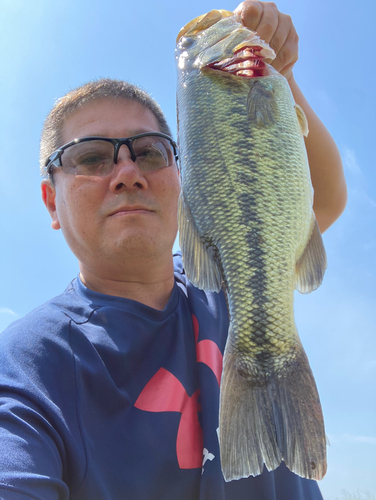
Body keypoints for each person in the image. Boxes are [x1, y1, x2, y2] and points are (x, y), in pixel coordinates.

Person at [0, 2, 347, 499]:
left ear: (183, 175)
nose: (127, 173)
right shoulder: (31, 365)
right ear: (51, 201)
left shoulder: (225, 282)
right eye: (91, 157)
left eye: (149, 151)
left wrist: (275, 74)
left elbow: (327, 198)